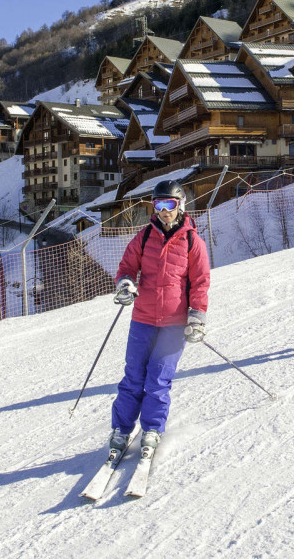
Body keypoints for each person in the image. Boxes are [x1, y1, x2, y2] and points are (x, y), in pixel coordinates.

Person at [108, 179, 210, 458]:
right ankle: (121, 429)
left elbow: (200, 282)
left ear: (181, 206)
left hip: (174, 324)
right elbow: (127, 267)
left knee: (158, 380)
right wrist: (125, 283)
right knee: (133, 377)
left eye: (170, 204)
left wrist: (197, 317)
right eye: (159, 205)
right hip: (142, 318)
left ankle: (152, 428)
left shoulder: (192, 241)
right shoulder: (143, 237)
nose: (165, 211)